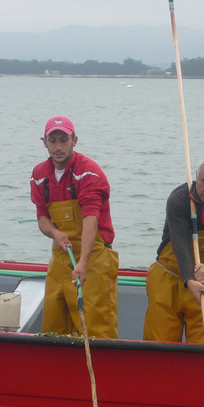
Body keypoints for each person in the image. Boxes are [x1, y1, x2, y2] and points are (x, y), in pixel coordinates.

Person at [30, 115, 119, 338]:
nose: (58, 147)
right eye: (53, 141)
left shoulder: (89, 171)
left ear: (74, 140)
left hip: (94, 258)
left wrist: (83, 262)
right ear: (44, 142)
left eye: (64, 140)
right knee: (53, 329)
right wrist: (54, 232)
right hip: (60, 258)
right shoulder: (39, 175)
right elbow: (42, 217)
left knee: (95, 330)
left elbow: (91, 218)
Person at [143, 154, 204, 344]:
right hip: (167, 281)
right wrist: (189, 280)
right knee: (159, 345)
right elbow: (179, 243)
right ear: (196, 175)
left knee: (203, 349)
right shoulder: (178, 199)